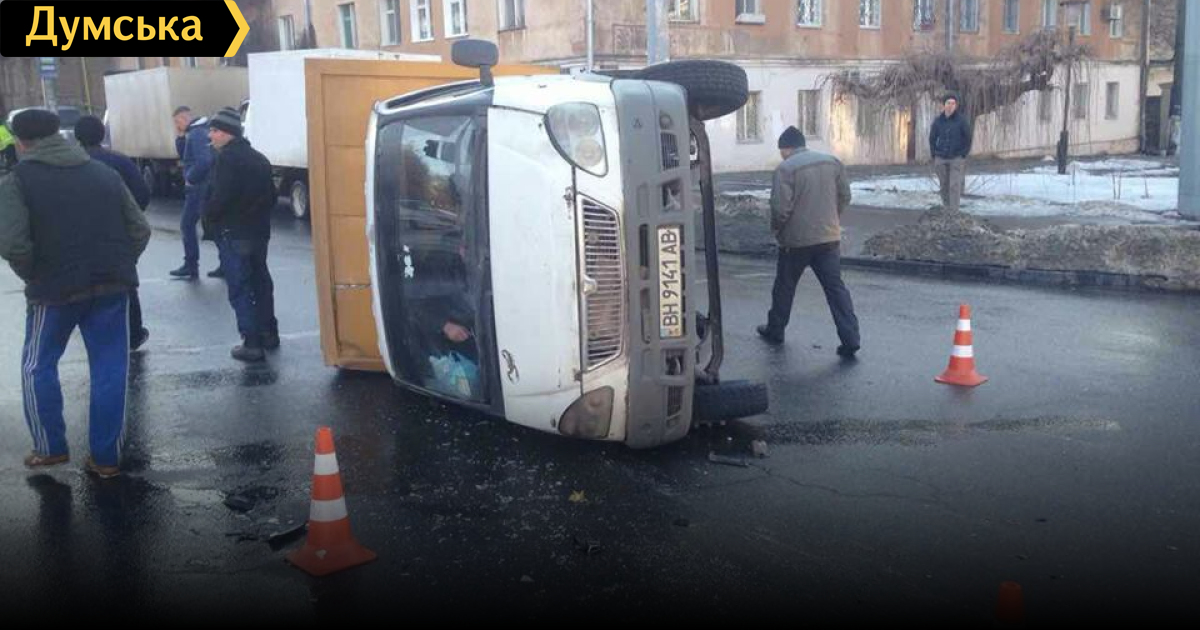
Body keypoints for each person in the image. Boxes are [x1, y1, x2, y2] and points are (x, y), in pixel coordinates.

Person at [0, 109, 151, 478]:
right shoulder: (104, 173)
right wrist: (119, 263)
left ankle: (50, 447)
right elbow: (140, 229)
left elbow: (13, 243)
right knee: (111, 368)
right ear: (59, 135)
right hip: (112, 285)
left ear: (21, 142)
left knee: (38, 365)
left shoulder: (17, 181)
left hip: (53, 292)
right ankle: (106, 458)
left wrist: (34, 273)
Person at [756, 125, 860, 358]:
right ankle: (851, 338)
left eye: (781, 151)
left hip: (796, 242)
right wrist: (832, 218)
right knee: (836, 290)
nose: (781, 155)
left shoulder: (786, 168)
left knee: (784, 287)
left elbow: (780, 208)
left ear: (787, 148)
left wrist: (777, 230)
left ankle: (775, 330)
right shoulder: (833, 162)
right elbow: (845, 195)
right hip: (829, 238)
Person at [204, 107, 279, 362]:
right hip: (259, 232)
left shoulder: (226, 160)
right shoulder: (260, 159)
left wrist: (210, 217)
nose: (210, 136)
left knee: (240, 286)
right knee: (261, 282)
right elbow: (271, 196)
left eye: (214, 131)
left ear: (228, 133)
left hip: (234, 231)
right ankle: (269, 333)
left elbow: (220, 197)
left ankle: (251, 341)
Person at [75, 114, 152, 351]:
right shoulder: (119, 161)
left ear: (77, 137)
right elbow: (142, 193)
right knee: (124, 284)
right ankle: (133, 333)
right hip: (118, 234)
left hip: (79, 235)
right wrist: (130, 217)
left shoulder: (70, 164)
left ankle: (94, 333)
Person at [170, 105, 221, 279]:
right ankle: (225, 264)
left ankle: (191, 265)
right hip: (204, 186)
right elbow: (184, 154)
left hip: (199, 187)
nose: (177, 126)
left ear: (185, 118)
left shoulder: (197, 133)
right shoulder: (197, 131)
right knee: (213, 225)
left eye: (177, 122)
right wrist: (180, 137)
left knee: (187, 224)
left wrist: (191, 178)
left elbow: (204, 161)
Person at [929, 93, 973, 213]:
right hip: (941, 157)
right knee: (944, 185)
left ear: (956, 106)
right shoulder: (938, 121)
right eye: (948, 103)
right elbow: (932, 138)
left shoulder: (961, 121)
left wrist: (963, 153)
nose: (950, 106)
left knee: (954, 185)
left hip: (956, 157)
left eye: (953, 103)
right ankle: (947, 208)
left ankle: (954, 212)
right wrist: (934, 154)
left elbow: (968, 138)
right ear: (943, 105)